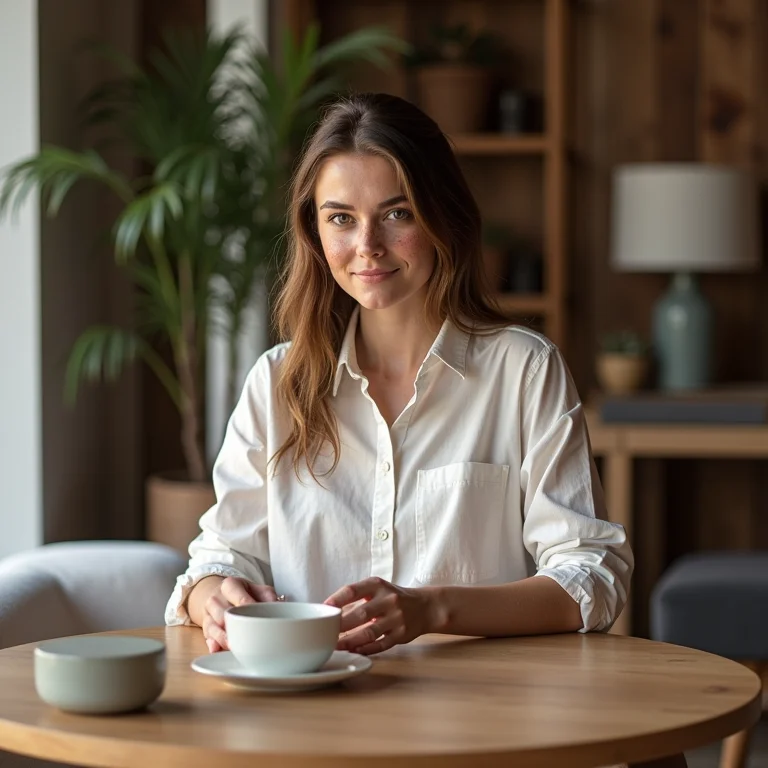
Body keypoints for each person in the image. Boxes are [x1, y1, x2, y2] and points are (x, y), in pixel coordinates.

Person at [165, 92, 633, 656]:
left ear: (442, 217)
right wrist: (214, 596)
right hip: (308, 716)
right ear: (314, 234)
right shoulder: (275, 382)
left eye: (397, 213)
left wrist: (431, 609)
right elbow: (217, 558)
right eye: (341, 218)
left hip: (482, 716)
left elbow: (590, 576)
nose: (368, 247)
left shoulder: (525, 370)